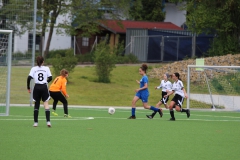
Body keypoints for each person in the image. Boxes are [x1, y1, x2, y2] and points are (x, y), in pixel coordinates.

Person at [27, 56, 52, 127]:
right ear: (43, 61)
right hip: (44, 87)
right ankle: (48, 122)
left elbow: (29, 78)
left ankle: (35, 123)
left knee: (36, 104)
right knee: (46, 104)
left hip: (37, 87)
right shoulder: (46, 68)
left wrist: (28, 87)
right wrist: (46, 82)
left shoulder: (34, 69)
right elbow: (50, 78)